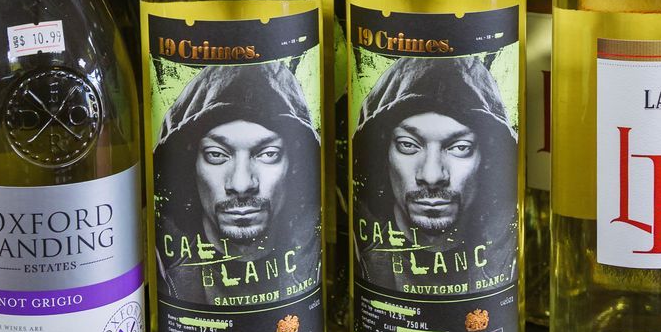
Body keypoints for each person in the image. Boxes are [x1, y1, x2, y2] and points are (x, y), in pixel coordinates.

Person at [153, 62, 319, 305]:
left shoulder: (318, 257)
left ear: (294, 165)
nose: (241, 184)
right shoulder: (163, 267)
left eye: (268, 154)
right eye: (217, 155)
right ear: (191, 165)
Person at [352, 56, 517, 289]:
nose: (432, 176)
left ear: (487, 158)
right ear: (382, 154)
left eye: (460, 148)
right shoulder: (360, 254)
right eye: (408, 145)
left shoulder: (509, 252)